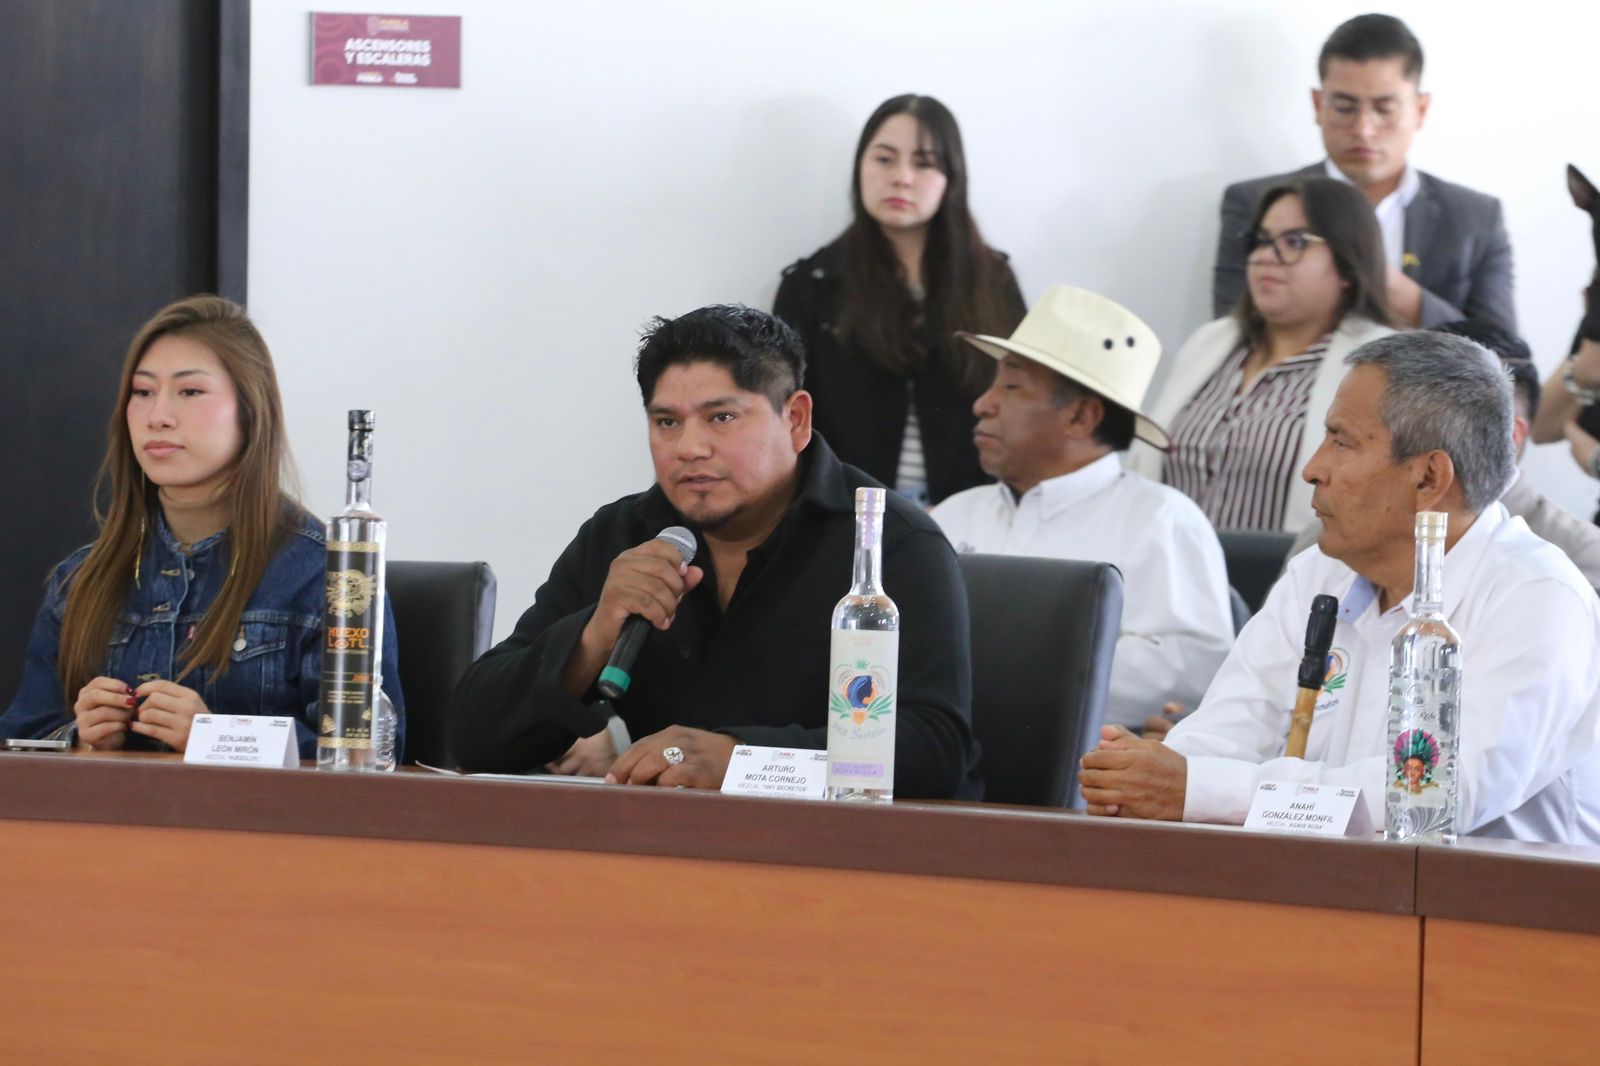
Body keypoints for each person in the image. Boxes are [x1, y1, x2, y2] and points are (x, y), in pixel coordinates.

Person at [1082, 331, 1600, 844]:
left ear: (1428, 478)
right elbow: (1222, 737)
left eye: (1341, 441)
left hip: (1488, 897)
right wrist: (1146, 779)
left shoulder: (1538, 598)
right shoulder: (1318, 573)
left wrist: (1199, 790)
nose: (1313, 469)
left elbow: (1428, 795)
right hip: (1318, 885)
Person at [448, 304, 979, 798]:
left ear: (795, 420)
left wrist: (743, 761)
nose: (689, 448)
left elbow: (933, 751)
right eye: (667, 422)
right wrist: (592, 638)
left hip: (841, 853)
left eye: (721, 417)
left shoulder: (891, 544)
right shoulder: (622, 535)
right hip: (658, 847)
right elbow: (473, 736)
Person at [0, 295, 404, 758]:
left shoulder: (328, 577)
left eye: (190, 392)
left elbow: (367, 756)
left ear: (250, 410)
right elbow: (20, 747)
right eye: (143, 392)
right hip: (111, 808)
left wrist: (217, 737)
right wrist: (80, 739)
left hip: (255, 810)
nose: (158, 416)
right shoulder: (78, 581)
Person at [930, 286, 1233, 730]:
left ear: (1081, 417)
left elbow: (1189, 674)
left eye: (1011, 386)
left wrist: (1019, 670)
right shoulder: (954, 515)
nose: (982, 403)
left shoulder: (1162, 520)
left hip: (1088, 765)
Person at [774, 94, 1026, 507]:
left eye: (924, 163)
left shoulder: (992, 282)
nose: (902, 178)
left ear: (951, 177)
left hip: (975, 516)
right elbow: (786, 424)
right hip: (846, 517)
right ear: (860, 167)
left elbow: (1021, 402)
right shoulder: (813, 284)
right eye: (884, 159)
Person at [1211, 14, 1515, 333]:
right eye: (1345, 107)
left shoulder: (1475, 217)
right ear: (1318, 105)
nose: (1363, 129)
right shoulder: (1256, 203)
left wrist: (1396, 292)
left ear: (1420, 110)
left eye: (1384, 109)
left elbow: (1508, 354)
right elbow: (1230, 338)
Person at [1131, 176, 1392, 534]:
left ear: (1348, 264)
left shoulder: (1377, 366)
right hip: (1168, 561)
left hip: (1289, 567)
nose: (1267, 257)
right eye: (1262, 240)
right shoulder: (1207, 344)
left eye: (1295, 242)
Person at [1287, 320, 1600, 586]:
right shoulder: (1325, 543)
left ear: (1508, 436)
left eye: (1343, 443)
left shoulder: (1576, 564)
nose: (1312, 470)